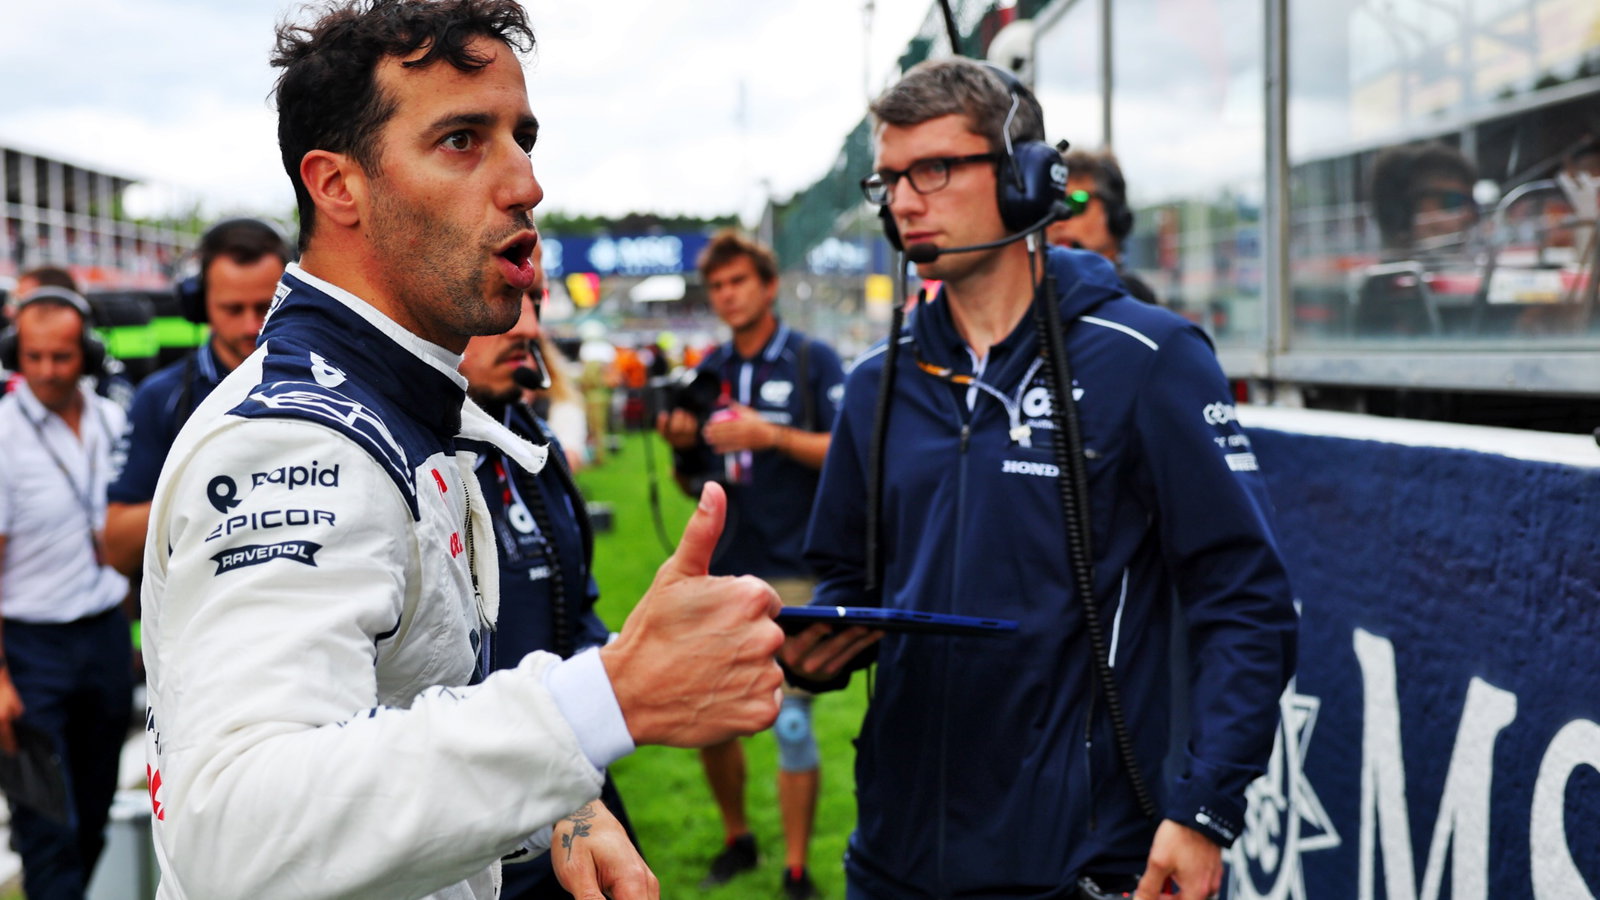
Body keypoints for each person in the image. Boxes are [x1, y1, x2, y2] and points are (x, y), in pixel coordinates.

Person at [140, 2, 785, 898]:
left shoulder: (402, 404)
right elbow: (235, 829)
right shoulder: (298, 438)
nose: (525, 182)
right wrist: (610, 697)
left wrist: (553, 801)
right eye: (461, 140)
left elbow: (397, 719)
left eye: (522, 137)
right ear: (338, 187)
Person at [782, 57, 1297, 900]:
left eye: (934, 170)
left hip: (1081, 862)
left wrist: (1205, 808)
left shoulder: (1151, 358)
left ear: (1027, 181)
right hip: (894, 857)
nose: (905, 201)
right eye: (890, 181)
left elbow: (1246, 599)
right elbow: (851, 576)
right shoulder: (876, 383)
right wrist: (813, 650)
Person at [656, 229, 845, 900]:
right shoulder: (705, 369)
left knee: (791, 722)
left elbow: (848, 455)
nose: (728, 295)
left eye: (739, 282)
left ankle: (795, 869)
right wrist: (681, 450)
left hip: (795, 564)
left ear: (767, 286)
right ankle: (738, 839)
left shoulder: (811, 360)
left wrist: (772, 437)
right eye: (718, 286)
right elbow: (696, 483)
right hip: (723, 567)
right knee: (709, 719)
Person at [461, 260, 637, 899]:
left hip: (571, 803)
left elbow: (575, 609)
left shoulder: (530, 443)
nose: (528, 325)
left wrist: (634, 667)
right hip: (467, 833)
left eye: (534, 300)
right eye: (504, 298)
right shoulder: (398, 462)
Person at [0, 288, 133, 899]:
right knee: (48, 828)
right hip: (31, 653)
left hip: (104, 635)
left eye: (61, 356)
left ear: (87, 353)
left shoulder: (113, 419)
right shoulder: (4, 436)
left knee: (94, 812)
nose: (49, 371)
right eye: (34, 357)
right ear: (14, 356)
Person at [103, 218, 292, 576]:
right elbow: (117, 545)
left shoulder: (330, 384)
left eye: (266, 307)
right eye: (233, 309)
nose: (252, 326)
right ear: (199, 305)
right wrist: (218, 488)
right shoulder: (160, 398)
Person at [1046, 148, 1160, 305]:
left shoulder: (1135, 299)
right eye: (1050, 208)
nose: (1057, 222)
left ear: (1115, 216)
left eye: (1075, 204)